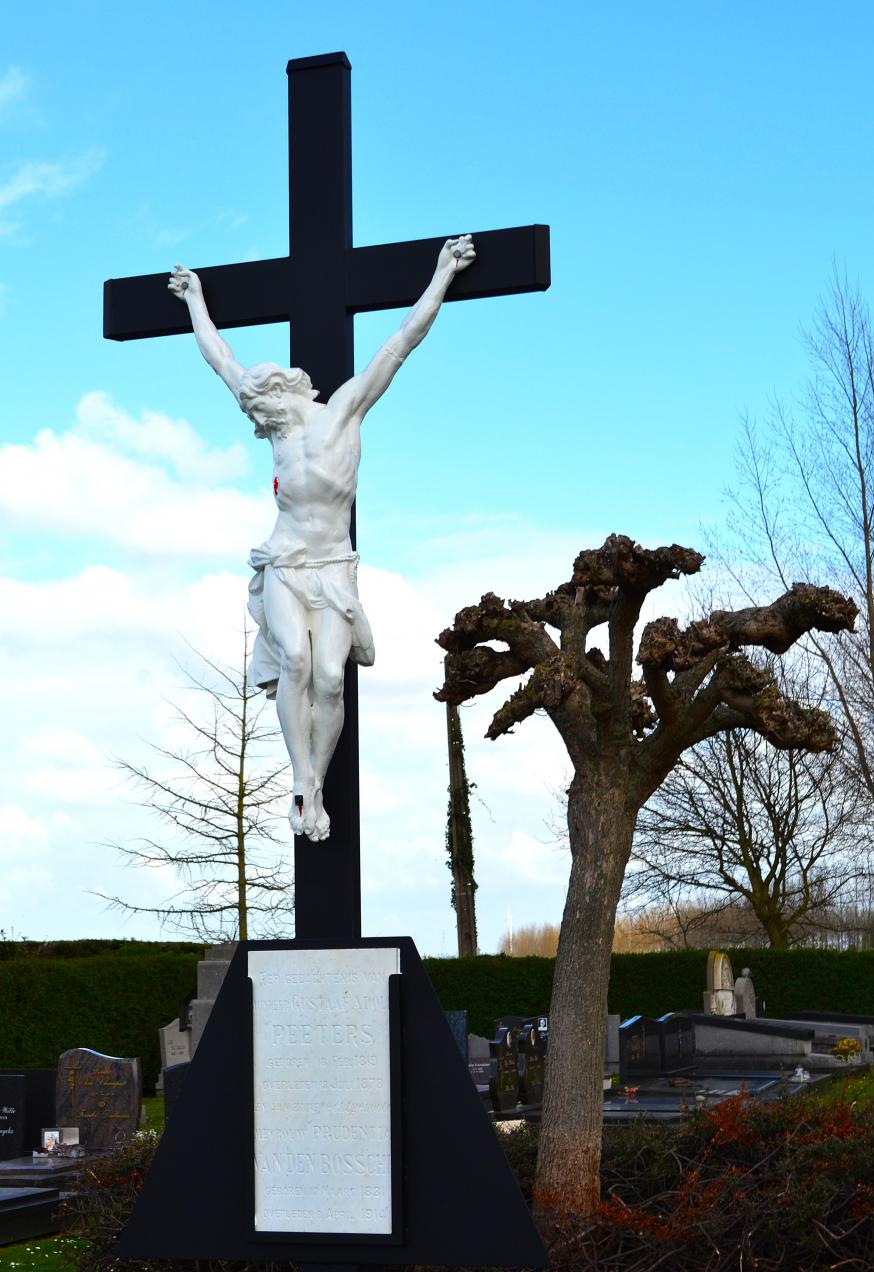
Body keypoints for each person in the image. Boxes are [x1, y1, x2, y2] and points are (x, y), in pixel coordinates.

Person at [168, 235, 476, 840]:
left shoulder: (345, 414)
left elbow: (399, 344)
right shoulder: (276, 430)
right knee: (298, 660)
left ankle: (317, 780)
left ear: (281, 396)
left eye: (261, 415)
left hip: (333, 565)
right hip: (284, 563)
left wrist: (441, 275)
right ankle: (301, 782)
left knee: (330, 678)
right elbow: (220, 359)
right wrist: (195, 302)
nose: (257, 425)